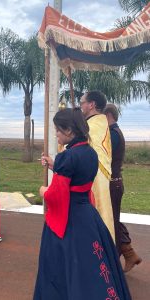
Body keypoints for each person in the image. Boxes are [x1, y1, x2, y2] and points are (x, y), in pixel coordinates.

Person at [34, 108, 131, 300]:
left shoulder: (67, 156)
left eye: (58, 130)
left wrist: (43, 191)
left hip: (69, 218)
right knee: (94, 263)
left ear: (69, 130)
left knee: (65, 268)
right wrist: (55, 165)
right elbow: (78, 177)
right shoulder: (90, 153)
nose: (56, 134)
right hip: (87, 215)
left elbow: (56, 195)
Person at [104, 103, 142, 272]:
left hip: (112, 184)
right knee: (112, 219)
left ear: (108, 116)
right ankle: (129, 254)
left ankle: (119, 259)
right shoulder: (114, 132)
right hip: (114, 183)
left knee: (111, 221)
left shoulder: (112, 134)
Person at [80, 90, 115, 240]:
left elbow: (79, 146)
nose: (80, 106)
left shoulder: (93, 125)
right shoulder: (97, 123)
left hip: (95, 177)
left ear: (91, 105)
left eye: (82, 103)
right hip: (96, 175)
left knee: (97, 218)